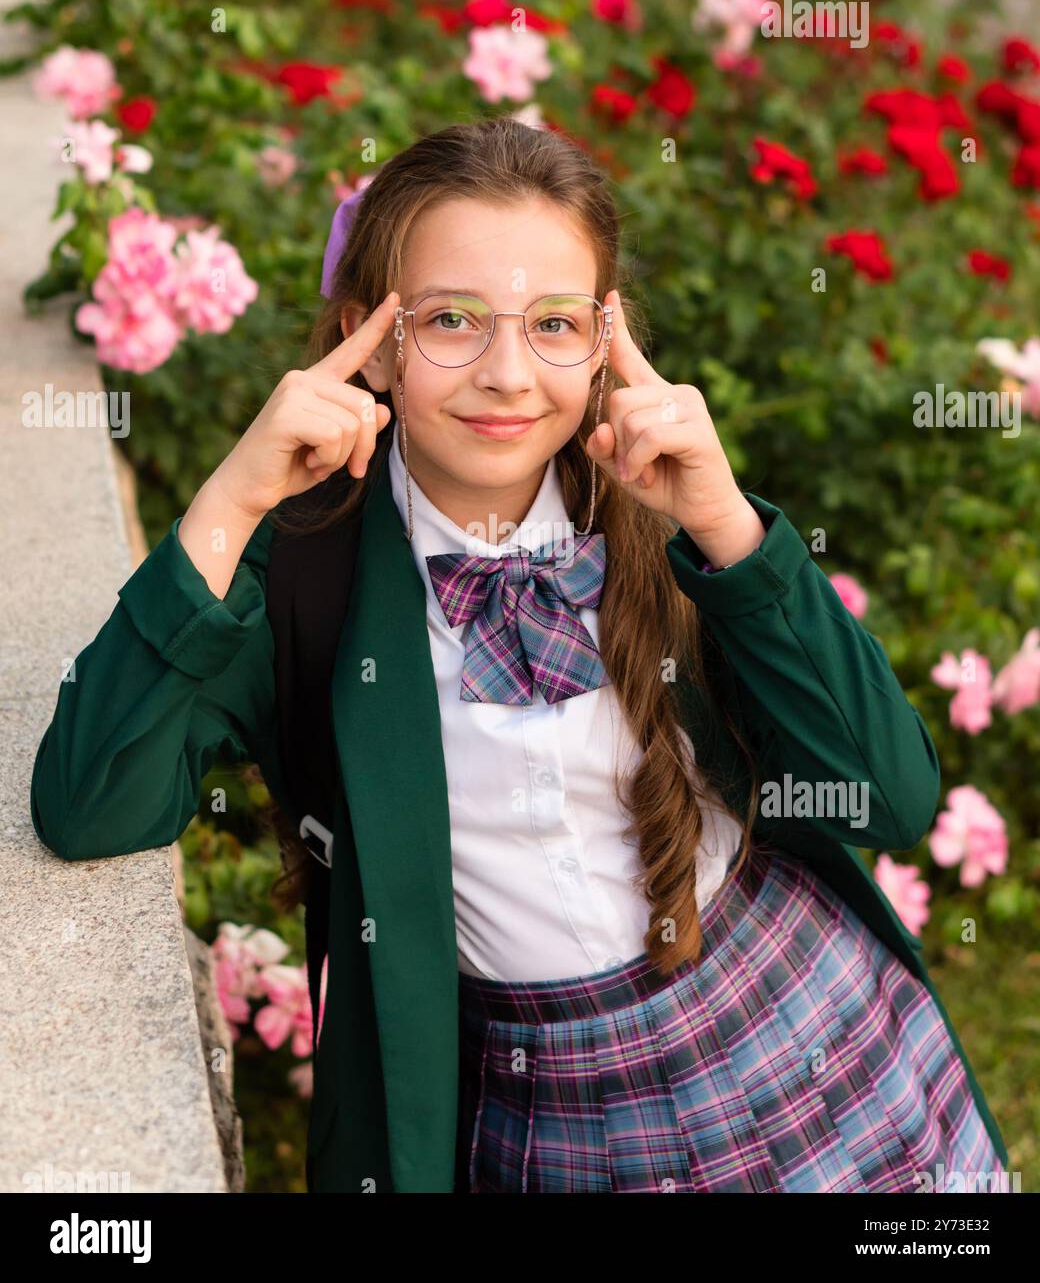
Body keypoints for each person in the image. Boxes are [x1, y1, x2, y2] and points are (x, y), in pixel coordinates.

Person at [30, 116, 1009, 1193]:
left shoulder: (668, 515)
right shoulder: (300, 575)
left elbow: (889, 795)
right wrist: (232, 498)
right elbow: (90, 802)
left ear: (604, 339)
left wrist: (731, 529)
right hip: (553, 1111)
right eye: (451, 319)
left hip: (810, 1029)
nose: (506, 374)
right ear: (370, 337)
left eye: (552, 323)